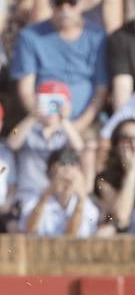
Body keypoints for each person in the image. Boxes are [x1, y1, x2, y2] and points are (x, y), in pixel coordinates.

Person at [11, 0, 109, 140]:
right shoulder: (30, 36)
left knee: (93, 147)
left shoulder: (98, 37)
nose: (65, 9)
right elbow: (26, 90)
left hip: (85, 123)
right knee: (17, 140)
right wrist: (43, 120)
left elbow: (101, 90)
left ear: (82, 3)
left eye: (71, 2)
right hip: (39, 122)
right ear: (50, 3)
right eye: (59, 2)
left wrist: (77, 126)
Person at [6, 80, 86, 209]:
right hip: (29, 196)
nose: (52, 107)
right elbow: (12, 141)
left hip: (59, 197)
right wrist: (32, 117)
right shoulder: (26, 128)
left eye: (57, 102)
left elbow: (80, 149)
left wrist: (64, 120)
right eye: (47, 101)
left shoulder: (68, 132)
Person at [20, 147, 98, 237]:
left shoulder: (88, 206)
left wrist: (80, 199)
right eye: (63, 163)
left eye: (72, 164)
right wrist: (45, 196)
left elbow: (72, 238)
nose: (67, 169)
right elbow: (29, 231)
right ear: (49, 172)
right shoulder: (33, 201)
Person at [94, 118, 135, 233]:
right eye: (126, 139)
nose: (134, 144)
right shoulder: (104, 179)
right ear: (116, 145)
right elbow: (121, 217)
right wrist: (132, 171)